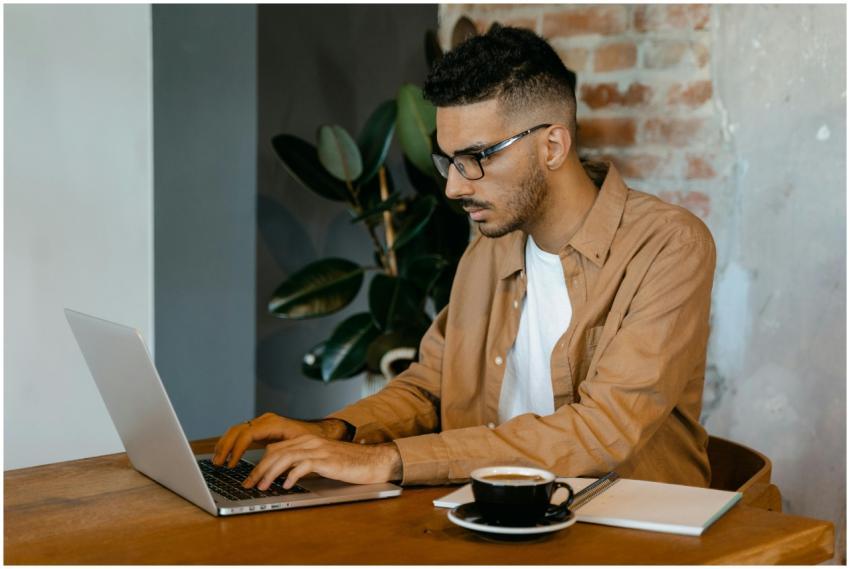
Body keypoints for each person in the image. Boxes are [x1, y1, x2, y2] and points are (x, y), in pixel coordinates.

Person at [213, 24, 716, 492]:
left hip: (627, 531)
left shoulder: (669, 246)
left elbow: (603, 430)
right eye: (448, 160)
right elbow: (433, 384)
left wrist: (388, 460)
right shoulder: (491, 244)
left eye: (476, 158)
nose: (454, 186)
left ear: (553, 146)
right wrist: (331, 430)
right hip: (492, 516)